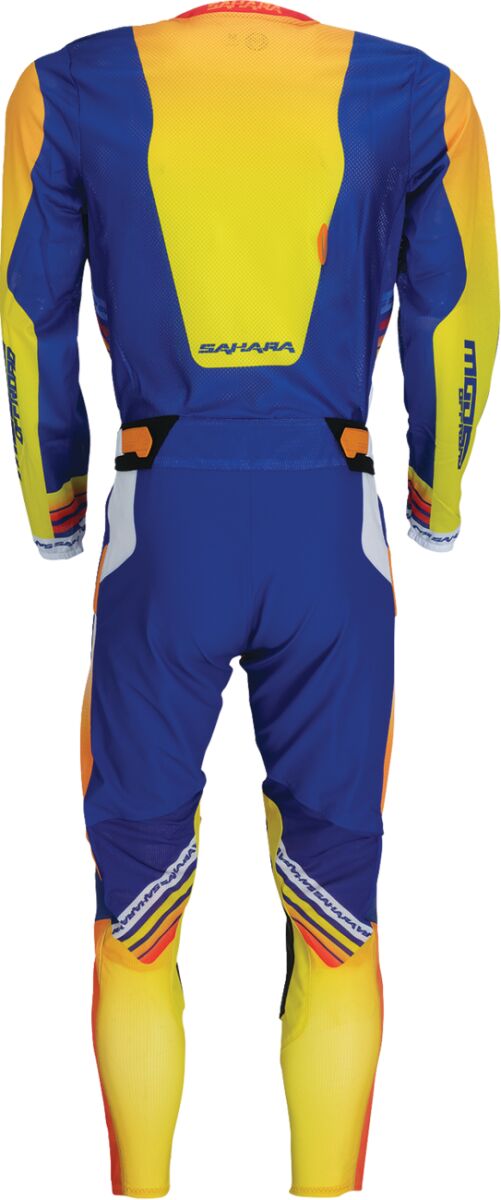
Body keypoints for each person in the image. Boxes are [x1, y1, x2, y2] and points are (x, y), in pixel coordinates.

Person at [1, 4, 498, 1196]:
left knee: (134, 915)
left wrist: (54, 496)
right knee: (339, 920)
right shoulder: (419, 93)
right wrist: (437, 488)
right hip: (332, 519)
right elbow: (462, 308)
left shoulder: (66, 89)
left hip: (162, 518)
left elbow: (27, 314)